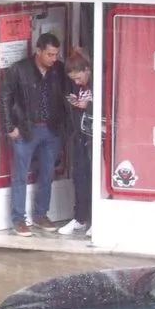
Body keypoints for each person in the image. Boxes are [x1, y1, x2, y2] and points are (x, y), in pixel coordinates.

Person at [0, 32, 69, 237]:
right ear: (38, 51)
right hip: (26, 128)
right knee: (20, 175)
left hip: (51, 129)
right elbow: (4, 96)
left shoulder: (59, 70)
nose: (53, 59)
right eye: (49, 54)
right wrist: (9, 126)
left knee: (47, 173)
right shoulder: (20, 69)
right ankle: (19, 219)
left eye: (55, 54)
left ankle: (40, 214)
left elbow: (67, 94)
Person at [58, 48, 94, 237]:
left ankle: (95, 219)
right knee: (80, 178)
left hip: (96, 139)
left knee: (94, 179)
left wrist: (90, 105)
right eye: (73, 79)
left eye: (78, 78)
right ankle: (80, 218)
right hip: (80, 137)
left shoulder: (99, 84)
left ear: (87, 69)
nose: (77, 82)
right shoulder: (76, 87)